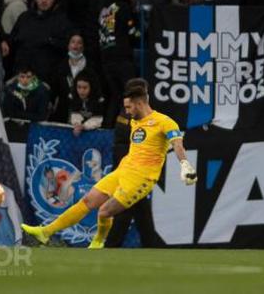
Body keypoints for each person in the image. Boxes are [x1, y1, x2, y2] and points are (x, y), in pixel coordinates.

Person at [21, 78, 196, 248]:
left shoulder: (164, 122)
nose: (127, 111)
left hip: (141, 179)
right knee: (88, 200)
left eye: (129, 107)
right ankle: (45, 232)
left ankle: (97, 243)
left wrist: (185, 166)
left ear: (139, 103)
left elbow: (177, 144)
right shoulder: (135, 121)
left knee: (104, 211)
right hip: (123, 171)